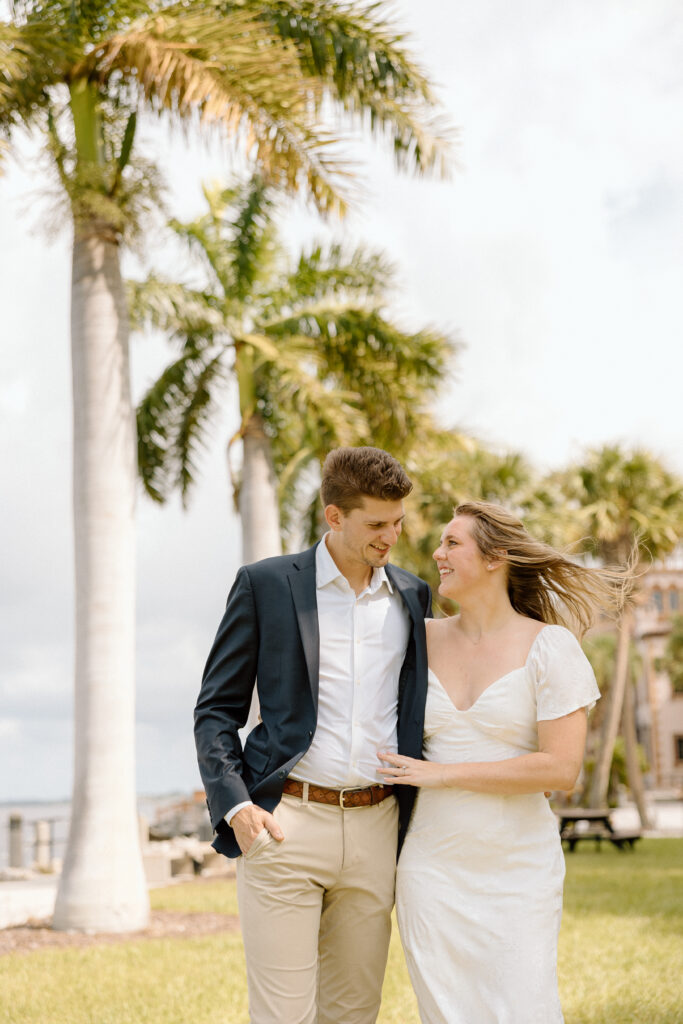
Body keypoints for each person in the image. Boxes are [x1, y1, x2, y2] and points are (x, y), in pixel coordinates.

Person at [194, 446, 432, 1024]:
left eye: (397, 521)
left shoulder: (413, 595)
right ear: (334, 516)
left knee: (354, 1011)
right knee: (283, 1015)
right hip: (285, 824)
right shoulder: (266, 584)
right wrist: (237, 807)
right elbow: (216, 709)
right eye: (376, 523)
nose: (390, 536)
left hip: (377, 826)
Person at [378, 501, 630, 1024]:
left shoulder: (551, 648)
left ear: (495, 558)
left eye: (453, 543)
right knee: (445, 1013)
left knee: (523, 1008)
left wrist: (441, 774)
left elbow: (560, 769)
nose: (436, 552)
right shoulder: (417, 640)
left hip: (518, 869)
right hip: (431, 866)